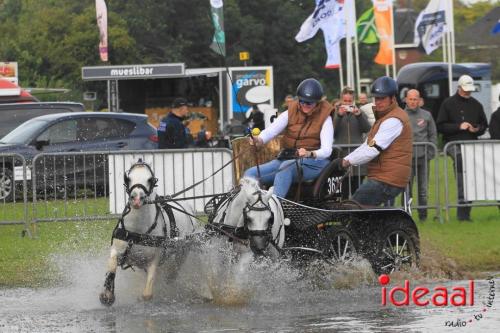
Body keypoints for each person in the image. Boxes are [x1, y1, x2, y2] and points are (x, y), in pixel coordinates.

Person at [244, 78, 334, 198]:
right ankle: (254, 212)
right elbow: (271, 130)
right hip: (287, 159)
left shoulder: (326, 118)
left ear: (317, 102)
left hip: (314, 162)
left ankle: (275, 210)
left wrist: (309, 153)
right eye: (302, 101)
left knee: (285, 168)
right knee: (250, 174)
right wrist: (259, 139)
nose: (304, 105)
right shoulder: (290, 111)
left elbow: (327, 151)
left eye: (309, 103)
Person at [333, 76, 413, 206]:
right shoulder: (384, 117)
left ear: (392, 98)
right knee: (366, 214)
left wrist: (346, 162)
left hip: (388, 178)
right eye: (376, 98)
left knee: (354, 206)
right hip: (384, 176)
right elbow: (366, 145)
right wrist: (346, 159)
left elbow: (372, 149)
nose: (378, 102)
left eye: (382, 98)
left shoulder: (393, 120)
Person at [436, 74, 488, 221]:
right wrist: (458, 126)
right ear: (459, 87)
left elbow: (484, 125)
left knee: (471, 178)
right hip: (453, 144)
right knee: (461, 171)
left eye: (469, 90)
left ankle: (466, 213)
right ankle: (462, 213)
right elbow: (440, 126)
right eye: (465, 89)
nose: (468, 92)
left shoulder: (477, 105)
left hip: (472, 144)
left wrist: (476, 129)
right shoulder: (447, 104)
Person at [405, 89, 438, 221]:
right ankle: (406, 216)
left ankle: (423, 217)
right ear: (406, 100)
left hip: (423, 158)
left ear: (419, 100)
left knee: (423, 189)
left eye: (415, 99)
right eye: (411, 99)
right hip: (406, 159)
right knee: (407, 190)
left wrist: (430, 154)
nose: (413, 102)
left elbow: (433, 135)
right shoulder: (400, 115)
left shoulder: (427, 115)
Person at [333, 87, 371, 198]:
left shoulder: (360, 112)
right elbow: (332, 133)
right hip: (342, 158)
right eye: (345, 101)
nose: (347, 104)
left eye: (350, 101)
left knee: (357, 191)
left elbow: (367, 128)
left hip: (358, 158)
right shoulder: (335, 113)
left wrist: (359, 115)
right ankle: (344, 213)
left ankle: (356, 213)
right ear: (341, 100)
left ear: (353, 101)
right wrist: (339, 116)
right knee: (344, 191)